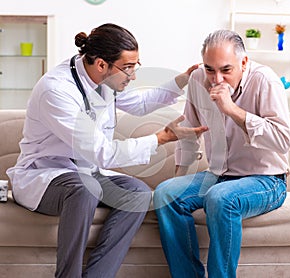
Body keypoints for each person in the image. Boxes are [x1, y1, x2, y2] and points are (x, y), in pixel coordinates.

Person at [6, 23, 205, 278]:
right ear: (101, 64)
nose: (133, 76)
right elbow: (101, 152)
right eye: (128, 68)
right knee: (84, 190)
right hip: (46, 176)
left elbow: (141, 103)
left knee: (138, 193)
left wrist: (184, 79)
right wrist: (164, 137)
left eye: (136, 66)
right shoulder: (56, 90)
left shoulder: (105, 81)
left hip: (85, 173)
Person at [153, 29, 290, 278]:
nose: (217, 79)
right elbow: (189, 134)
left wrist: (232, 110)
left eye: (226, 70)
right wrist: (177, 179)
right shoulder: (197, 80)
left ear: (244, 62)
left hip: (267, 179)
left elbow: (283, 141)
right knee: (166, 194)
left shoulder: (265, 81)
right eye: (210, 69)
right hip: (218, 175)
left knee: (221, 198)